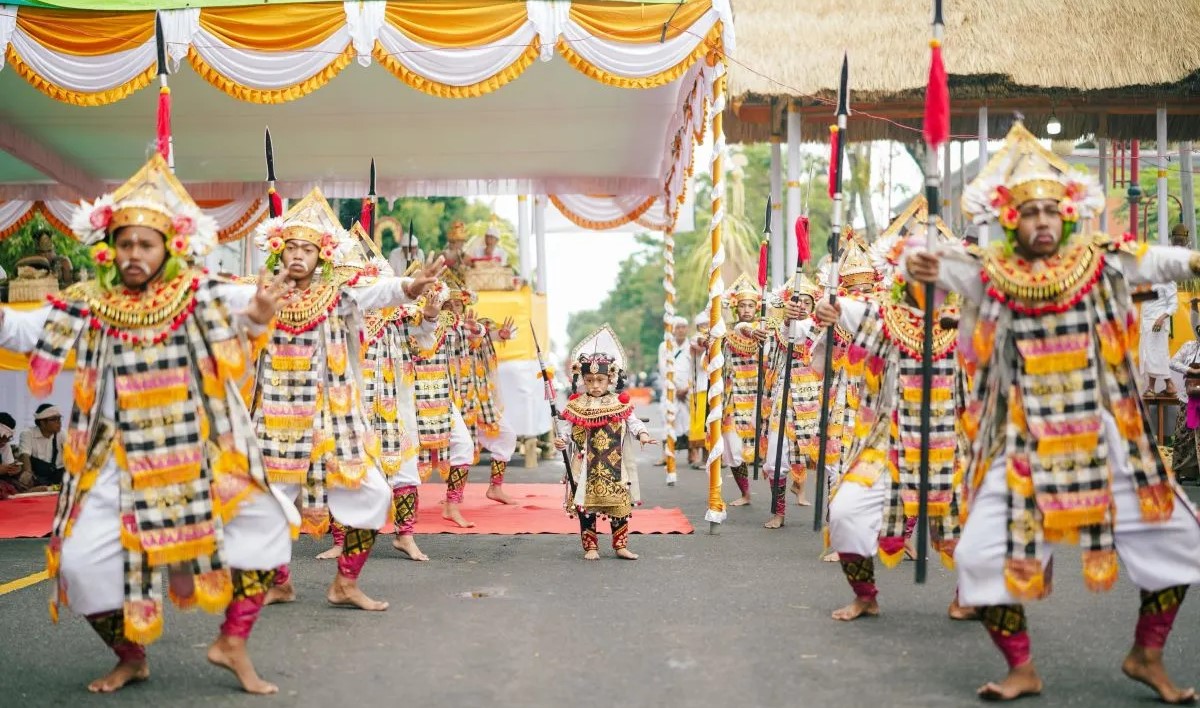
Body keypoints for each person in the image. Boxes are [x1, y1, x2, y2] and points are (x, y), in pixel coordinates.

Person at [904, 121, 1200, 703]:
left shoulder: (1102, 260)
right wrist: (918, 263)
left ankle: (1147, 653)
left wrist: (1193, 259)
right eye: (1028, 212)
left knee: (1181, 543)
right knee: (977, 556)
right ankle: (1022, 667)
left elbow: (1158, 262)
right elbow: (934, 267)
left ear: (1066, 215)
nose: (1040, 220)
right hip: (1021, 444)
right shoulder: (990, 272)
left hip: (1104, 437)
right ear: (1011, 220)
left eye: (1049, 211)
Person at [0, 154, 298, 694]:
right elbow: (20, 330)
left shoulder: (201, 292)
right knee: (79, 565)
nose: (134, 253)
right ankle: (130, 655)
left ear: (169, 249)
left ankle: (233, 640)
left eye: (146, 243)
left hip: (199, 450)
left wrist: (258, 311)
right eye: (125, 242)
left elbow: (245, 310)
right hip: (114, 458)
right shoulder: (87, 304)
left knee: (267, 526)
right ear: (110, 247)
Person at [249, 188, 444, 612]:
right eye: (292, 247)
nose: (299, 255)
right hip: (279, 420)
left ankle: (345, 583)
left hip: (336, 419)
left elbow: (383, 292)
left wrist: (412, 285)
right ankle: (279, 581)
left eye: (309, 248)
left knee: (373, 494)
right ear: (278, 251)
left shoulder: (340, 294)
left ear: (323, 256)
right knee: (271, 502)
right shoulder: (260, 294)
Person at [814, 198, 971, 620]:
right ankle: (865, 594)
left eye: (935, 268)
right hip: (893, 438)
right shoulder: (889, 319)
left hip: (956, 443)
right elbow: (848, 310)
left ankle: (969, 596)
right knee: (845, 511)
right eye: (917, 268)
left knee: (984, 525)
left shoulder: (973, 320)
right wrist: (826, 307)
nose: (927, 276)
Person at [554, 325, 656, 560]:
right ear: (583, 380)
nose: (595, 385)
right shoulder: (576, 405)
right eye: (589, 381)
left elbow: (633, 422)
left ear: (611, 378)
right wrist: (561, 441)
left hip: (615, 466)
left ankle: (620, 546)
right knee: (585, 508)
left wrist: (642, 435)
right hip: (586, 467)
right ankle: (590, 547)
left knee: (619, 506)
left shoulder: (620, 403)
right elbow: (566, 431)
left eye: (600, 380)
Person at [763, 273, 822, 511]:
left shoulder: (821, 327)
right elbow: (783, 339)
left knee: (809, 448)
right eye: (799, 302)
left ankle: (802, 489)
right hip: (785, 396)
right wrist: (787, 321)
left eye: (808, 303)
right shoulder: (781, 328)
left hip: (814, 396)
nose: (803, 307)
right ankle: (778, 511)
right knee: (776, 456)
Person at [1168, 297, 1200, 484]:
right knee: (1183, 435)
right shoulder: (1189, 347)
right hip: (1188, 398)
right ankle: (1182, 471)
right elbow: (1173, 362)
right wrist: (1191, 370)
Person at [657, 316, 691, 483]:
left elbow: (694, 369)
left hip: (687, 389)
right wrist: (674, 387)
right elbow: (664, 368)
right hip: (670, 389)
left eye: (684, 327)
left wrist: (687, 388)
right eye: (678, 327)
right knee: (667, 419)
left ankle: (693, 455)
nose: (681, 330)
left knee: (688, 422)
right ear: (673, 329)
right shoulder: (665, 346)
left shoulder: (691, 346)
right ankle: (665, 455)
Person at [19, 403, 65, 488]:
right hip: (38, 477)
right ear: (42, 423)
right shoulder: (27, 434)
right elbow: (24, 455)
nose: (59, 422)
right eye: (54, 419)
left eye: (59, 418)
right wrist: (28, 473)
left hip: (59, 475)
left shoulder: (62, 433)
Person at [686, 312, 710, 469]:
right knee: (701, 424)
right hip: (700, 388)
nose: (705, 328)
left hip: (713, 388)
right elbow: (701, 345)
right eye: (703, 325)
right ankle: (704, 458)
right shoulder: (695, 338)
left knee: (710, 423)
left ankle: (711, 459)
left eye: (708, 325)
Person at [0, 412, 27, 498]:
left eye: (7, 438)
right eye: (2, 437)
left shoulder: (4, 444)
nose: (4, 442)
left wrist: (15, 470)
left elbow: (8, 464)